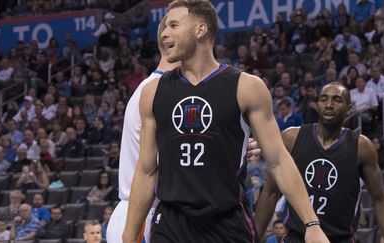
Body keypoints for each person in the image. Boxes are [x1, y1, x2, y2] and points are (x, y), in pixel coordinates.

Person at [123, 1, 328, 243]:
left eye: (174, 25)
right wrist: (129, 234)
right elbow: (146, 170)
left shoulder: (246, 87)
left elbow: (278, 159)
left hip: (227, 222)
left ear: (200, 30)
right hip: (171, 224)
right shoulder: (152, 92)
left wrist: (312, 224)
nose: (164, 33)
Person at [107, 15, 263, 243]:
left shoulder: (151, 88)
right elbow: (176, 159)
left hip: (142, 211)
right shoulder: (158, 92)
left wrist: (231, 146)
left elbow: (184, 146)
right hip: (147, 214)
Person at [254, 82, 384, 243]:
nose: (329, 105)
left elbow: (381, 200)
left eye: (337, 99)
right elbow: (271, 192)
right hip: (296, 237)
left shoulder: (362, 147)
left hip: (340, 238)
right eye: (324, 99)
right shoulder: (291, 139)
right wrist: (253, 239)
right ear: (317, 104)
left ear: (349, 108)